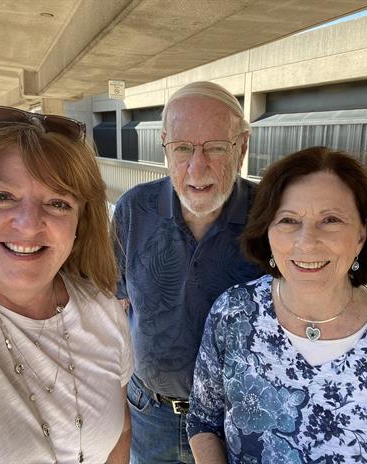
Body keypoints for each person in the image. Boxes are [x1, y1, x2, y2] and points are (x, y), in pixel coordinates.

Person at [186, 147, 367, 463]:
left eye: (331, 219)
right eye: (288, 220)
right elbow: (204, 420)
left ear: (361, 234)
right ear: (267, 230)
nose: (307, 241)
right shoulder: (232, 313)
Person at [0, 106, 133, 463]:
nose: (30, 224)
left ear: (80, 225)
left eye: (58, 203)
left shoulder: (104, 311)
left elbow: (120, 430)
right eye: (1, 196)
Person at [113, 82, 264, 463]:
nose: (197, 168)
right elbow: (110, 305)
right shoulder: (134, 210)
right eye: (182, 148)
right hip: (149, 413)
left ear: (242, 147)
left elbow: (323, 296)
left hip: (236, 423)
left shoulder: (272, 215)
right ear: (165, 146)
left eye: (216, 147)